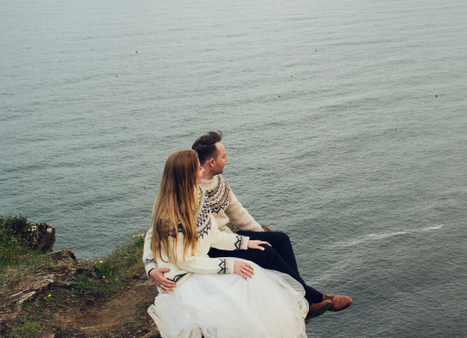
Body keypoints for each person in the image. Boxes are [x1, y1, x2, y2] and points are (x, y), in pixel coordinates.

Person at [145, 149, 308, 338]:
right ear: (187, 174)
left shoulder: (197, 195)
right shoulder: (169, 215)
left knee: (252, 272)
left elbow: (212, 236)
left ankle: (289, 320)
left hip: (198, 266)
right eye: (197, 169)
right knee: (244, 282)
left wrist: (244, 243)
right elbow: (186, 260)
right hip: (183, 280)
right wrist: (228, 266)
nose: (202, 171)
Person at [144, 131, 351, 319]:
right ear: (211, 162)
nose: (227, 159)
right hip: (206, 253)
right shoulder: (176, 202)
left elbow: (236, 215)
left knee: (280, 240)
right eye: (224, 156)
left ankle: (301, 298)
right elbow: (155, 236)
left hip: (220, 238)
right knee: (267, 253)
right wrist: (151, 268)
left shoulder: (209, 187)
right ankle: (309, 300)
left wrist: (256, 237)